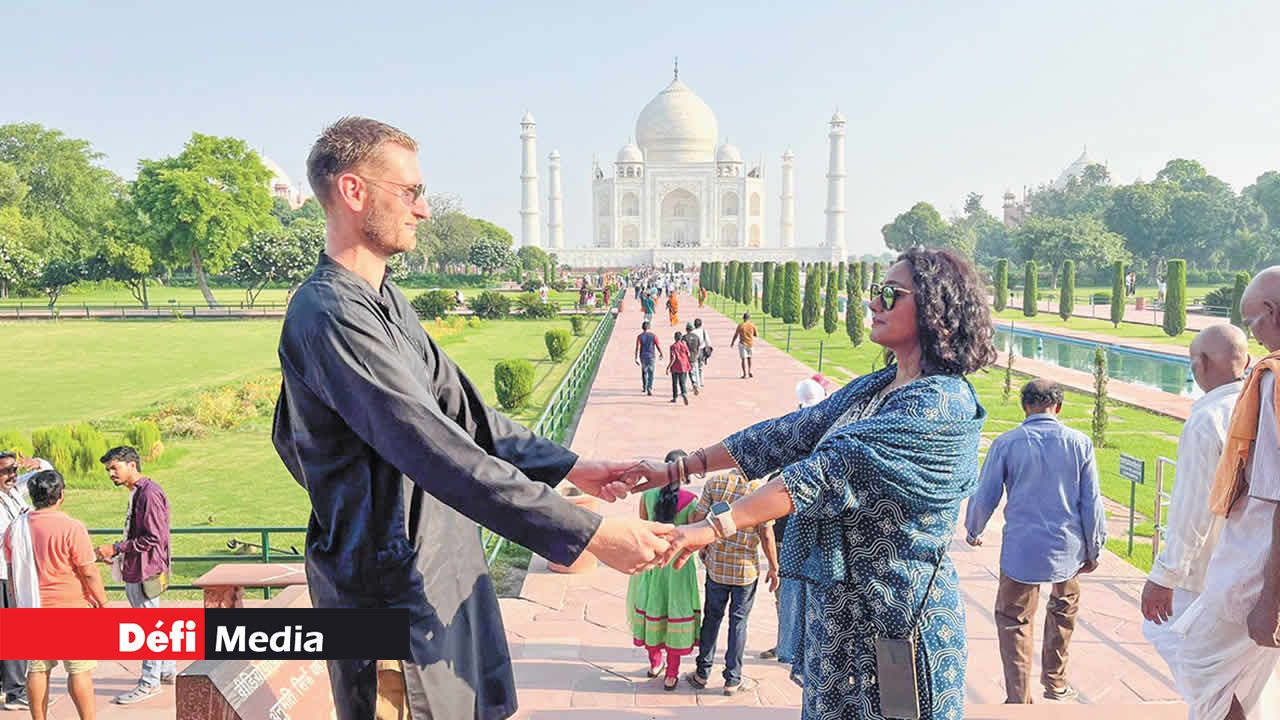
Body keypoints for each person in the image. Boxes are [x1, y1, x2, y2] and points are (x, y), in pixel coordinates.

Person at [272, 117, 672, 720]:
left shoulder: (384, 300)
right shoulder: (329, 313)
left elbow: (466, 417)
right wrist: (587, 533)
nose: (424, 209)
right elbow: (434, 448)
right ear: (354, 192)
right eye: (409, 192)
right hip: (390, 591)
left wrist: (573, 466)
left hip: (440, 564)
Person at [628, 248, 997, 718]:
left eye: (890, 294)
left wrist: (711, 527)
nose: (874, 303)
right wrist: (678, 468)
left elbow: (827, 471)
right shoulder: (880, 386)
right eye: (874, 292)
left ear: (935, 306)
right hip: (841, 612)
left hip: (898, 620)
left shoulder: (939, 404)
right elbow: (789, 433)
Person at [1172, 267, 1280, 720]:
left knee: (1199, 659)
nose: (1251, 336)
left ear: (1272, 312)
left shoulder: (1274, 379)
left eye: (1252, 319)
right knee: (1247, 676)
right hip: (1253, 557)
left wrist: (1269, 600)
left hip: (1255, 563)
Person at [964, 379, 1106, 703]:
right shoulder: (1079, 443)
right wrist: (1094, 547)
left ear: (1024, 406)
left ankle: (1018, 697)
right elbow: (1091, 501)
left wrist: (974, 530)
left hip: (1021, 550)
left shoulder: (1007, 443)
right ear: (1058, 407)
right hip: (1067, 549)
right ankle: (1055, 683)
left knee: (1014, 620)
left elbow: (986, 494)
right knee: (1064, 610)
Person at [1141, 325, 1248, 676]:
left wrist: (1165, 575)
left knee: (1199, 668)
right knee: (1241, 671)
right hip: (1251, 566)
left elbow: (1194, 509)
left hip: (1207, 575)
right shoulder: (1260, 405)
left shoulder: (1208, 419)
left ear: (1199, 363)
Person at [2, 470, 108, 720]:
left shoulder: (15, 529)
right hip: (71, 608)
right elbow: (89, 571)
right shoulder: (72, 528)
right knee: (79, 669)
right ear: (60, 495)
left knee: (37, 670)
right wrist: (103, 602)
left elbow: (11, 572)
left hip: (33, 608)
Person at [683, 466, 778, 695]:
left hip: (717, 565)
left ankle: (702, 673)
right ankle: (732, 680)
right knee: (739, 622)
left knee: (712, 618)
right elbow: (766, 535)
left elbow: (697, 518)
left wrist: (701, 547)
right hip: (745, 571)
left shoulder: (716, 482)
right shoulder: (760, 491)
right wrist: (774, 567)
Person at [93, 446, 174, 705]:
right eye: (108, 469)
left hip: (145, 571)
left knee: (148, 628)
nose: (110, 474)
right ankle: (164, 669)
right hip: (141, 567)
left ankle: (149, 682)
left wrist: (116, 548)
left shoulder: (148, 494)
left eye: (114, 468)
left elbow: (153, 537)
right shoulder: (139, 492)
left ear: (132, 465)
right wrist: (119, 554)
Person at [759, 377, 827, 664]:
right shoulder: (825, 443)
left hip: (792, 537)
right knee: (806, 596)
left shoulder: (785, 471)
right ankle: (795, 645)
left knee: (788, 595)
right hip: (807, 537)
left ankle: (788, 645)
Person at [627, 450, 702, 691]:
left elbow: (642, 528)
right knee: (675, 613)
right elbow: (692, 538)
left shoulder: (648, 496)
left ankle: (654, 663)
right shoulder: (691, 501)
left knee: (653, 608)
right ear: (685, 475)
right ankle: (671, 674)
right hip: (679, 566)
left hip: (653, 562)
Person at [0, 452, 47, 711]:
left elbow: (46, 475)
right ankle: (15, 691)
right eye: (5, 471)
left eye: (14, 470)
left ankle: (8, 687)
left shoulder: (13, 490)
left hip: (13, 573)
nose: (12, 475)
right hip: (3, 574)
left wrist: (36, 463)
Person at [635, 321, 662, 396]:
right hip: (651, 356)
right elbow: (657, 345)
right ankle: (649, 387)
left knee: (644, 371)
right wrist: (661, 353)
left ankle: (644, 387)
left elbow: (637, 347)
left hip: (643, 356)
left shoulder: (639, 336)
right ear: (649, 327)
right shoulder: (653, 336)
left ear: (642, 327)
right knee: (651, 372)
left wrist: (636, 357)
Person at [667, 330, 692, 405]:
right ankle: (684, 393)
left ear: (674, 338)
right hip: (684, 366)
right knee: (682, 382)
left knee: (675, 383)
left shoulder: (673, 346)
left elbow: (673, 358)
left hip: (675, 367)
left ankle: (675, 397)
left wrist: (668, 367)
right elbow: (689, 354)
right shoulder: (684, 345)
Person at [729, 312, 757, 379]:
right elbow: (755, 335)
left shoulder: (740, 325)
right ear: (749, 318)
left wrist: (732, 342)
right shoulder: (752, 325)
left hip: (742, 344)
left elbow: (736, 335)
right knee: (749, 358)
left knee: (743, 359)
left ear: (743, 318)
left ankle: (744, 374)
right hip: (750, 344)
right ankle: (749, 371)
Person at [682, 323, 703, 393]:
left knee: (684, 373)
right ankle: (694, 383)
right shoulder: (696, 337)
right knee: (692, 372)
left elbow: (682, 348)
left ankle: (683, 388)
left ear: (686, 329)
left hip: (686, 358)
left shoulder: (684, 337)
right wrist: (697, 355)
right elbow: (699, 347)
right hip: (694, 357)